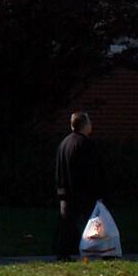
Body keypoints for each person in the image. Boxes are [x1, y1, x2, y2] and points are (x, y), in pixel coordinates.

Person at [52, 111, 105, 259]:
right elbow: (92, 171)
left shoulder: (64, 143)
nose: (91, 125)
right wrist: (98, 192)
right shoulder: (85, 144)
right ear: (84, 125)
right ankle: (105, 250)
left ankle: (62, 252)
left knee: (66, 224)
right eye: (89, 123)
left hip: (65, 191)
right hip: (83, 192)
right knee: (98, 222)